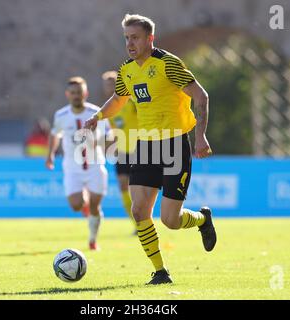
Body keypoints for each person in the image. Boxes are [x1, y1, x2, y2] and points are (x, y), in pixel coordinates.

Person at [85, 14, 217, 284]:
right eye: (126, 38)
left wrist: (200, 137)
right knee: (139, 211)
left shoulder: (168, 64)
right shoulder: (126, 69)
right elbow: (119, 99)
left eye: (135, 38)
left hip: (174, 144)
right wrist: (98, 116)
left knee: (170, 219)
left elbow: (201, 96)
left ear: (149, 38)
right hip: (145, 146)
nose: (130, 43)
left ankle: (202, 220)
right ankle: (160, 272)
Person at [46, 77, 112, 251]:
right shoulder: (61, 115)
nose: (76, 96)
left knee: (95, 207)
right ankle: (85, 208)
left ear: (86, 93)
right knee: (76, 205)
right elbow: (55, 135)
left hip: (95, 166)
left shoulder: (96, 112)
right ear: (68, 95)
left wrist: (100, 143)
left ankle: (92, 239)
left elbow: (109, 134)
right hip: (72, 168)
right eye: (73, 93)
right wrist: (50, 155)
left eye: (79, 92)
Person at [102, 71, 138, 234]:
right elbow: (113, 131)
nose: (109, 87)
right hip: (122, 152)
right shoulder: (109, 108)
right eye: (107, 85)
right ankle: (136, 225)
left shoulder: (130, 101)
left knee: (138, 188)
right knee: (123, 186)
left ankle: (144, 221)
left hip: (139, 148)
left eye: (112, 84)